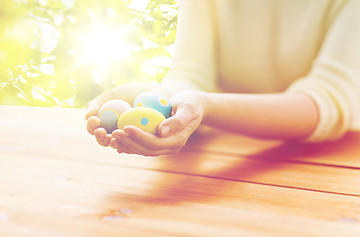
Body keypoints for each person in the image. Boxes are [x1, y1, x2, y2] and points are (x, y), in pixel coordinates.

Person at [85, 0, 360, 156]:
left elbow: (327, 102)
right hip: (223, 152)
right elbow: (193, 72)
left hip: (333, 158)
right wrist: (168, 100)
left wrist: (205, 106)